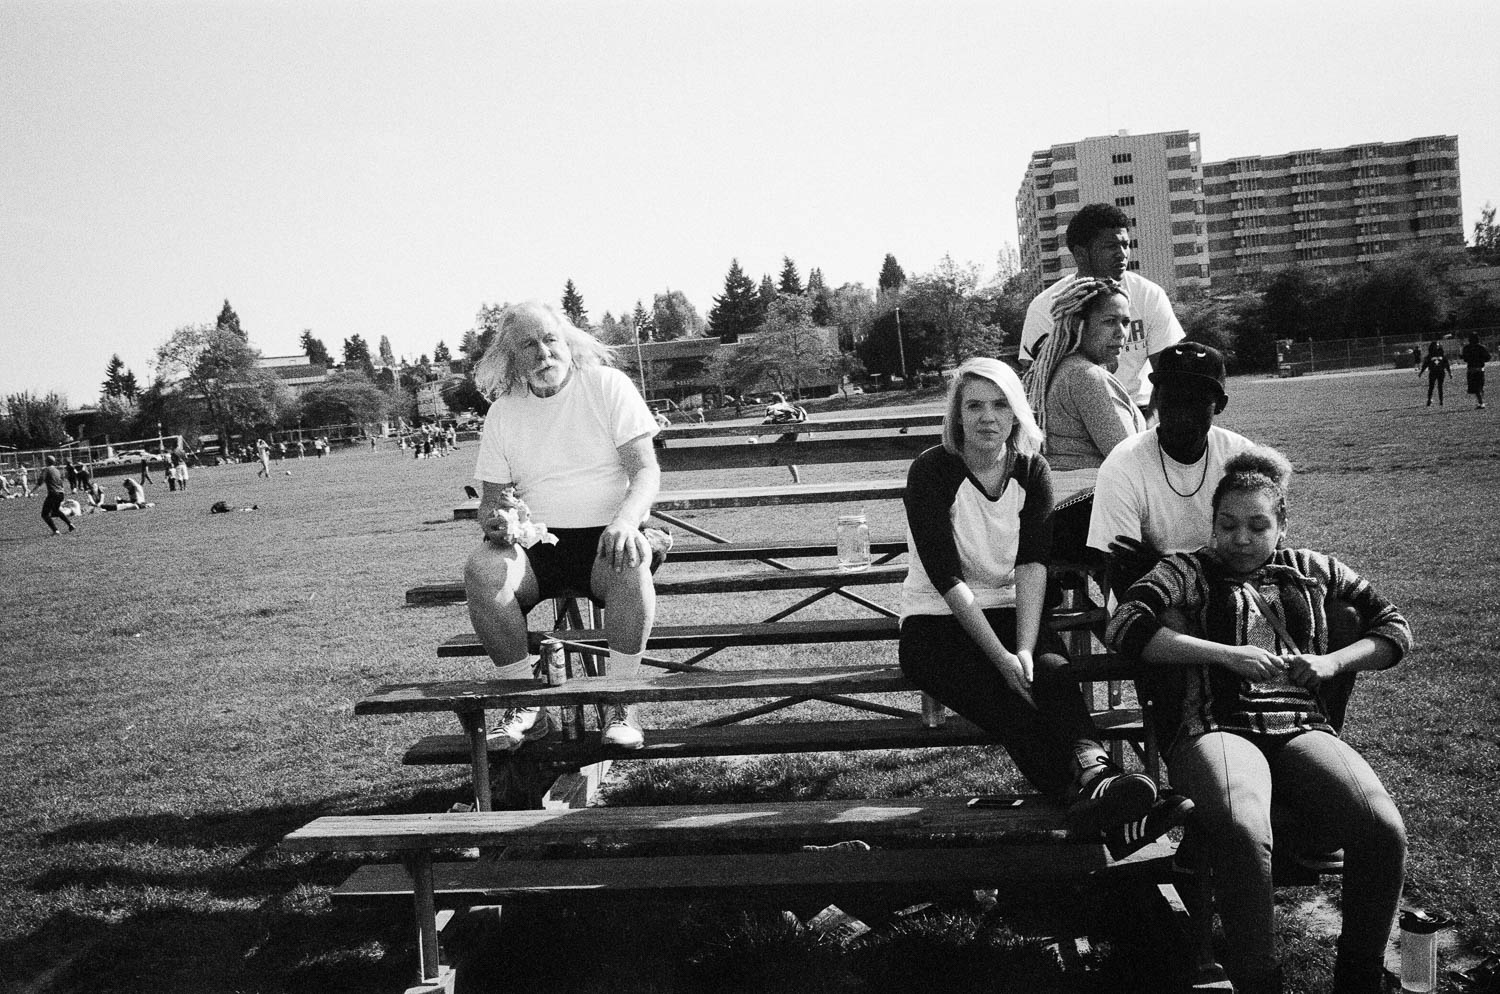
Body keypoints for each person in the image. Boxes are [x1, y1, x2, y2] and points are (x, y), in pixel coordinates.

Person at [1106, 449, 1409, 994]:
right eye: (1227, 525)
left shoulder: (1314, 569)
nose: (1240, 538)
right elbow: (1126, 625)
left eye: (1257, 525)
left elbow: (1394, 625)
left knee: (1382, 829)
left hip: (1301, 728)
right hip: (1219, 728)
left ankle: (1358, 978)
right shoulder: (1186, 570)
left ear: (1282, 523)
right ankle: (1258, 980)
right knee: (1245, 830)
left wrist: (1332, 662)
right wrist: (1224, 654)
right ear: (1212, 523)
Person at [898, 358, 1190, 858]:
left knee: (1051, 673)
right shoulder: (932, 470)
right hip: (935, 623)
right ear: (957, 415)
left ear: (1017, 413)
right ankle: (1103, 799)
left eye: (1000, 404)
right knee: (1012, 703)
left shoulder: (1032, 468)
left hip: (1013, 611)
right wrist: (1003, 658)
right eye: (974, 405)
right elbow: (947, 579)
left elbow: (1032, 564)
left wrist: (1027, 649)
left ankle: (1093, 783)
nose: (988, 417)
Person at [465, 301, 661, 751]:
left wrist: (627, 522)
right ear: (510, 357)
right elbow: (492, 502)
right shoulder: (503, 412)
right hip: (537, 545)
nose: (543, 353)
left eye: (550, 340)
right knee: (481, 568)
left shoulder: (608, 386)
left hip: (607, 540)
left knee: (632, 557)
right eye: (528, 346)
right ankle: (525, 705)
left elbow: (646, 471)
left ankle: (620, 702)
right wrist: (496, 523)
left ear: (568, 342)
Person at [1088, 342, 1254, 597]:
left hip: (1231, 598)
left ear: (1220, 404)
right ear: (1155, 399)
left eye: (1196, 401)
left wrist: (1159, 565)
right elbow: (1124, 577)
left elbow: (1255, 560)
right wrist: (1213, 567)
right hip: (1150, 606)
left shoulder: (1242, 458)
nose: (1181, 413)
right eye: (1171, 399)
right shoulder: (1122, 464)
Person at [1022, 277, 1146, 564]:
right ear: (1079, 324)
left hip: (1057, 513)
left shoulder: (1058, 369)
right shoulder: (1086, 376)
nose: (1121, 333)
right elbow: (1128, 458)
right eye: (1109, 321)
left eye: (1126, 322)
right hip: (1082, 515)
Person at [1020, 203, 1186, 411]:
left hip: (1139, 407)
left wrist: (1144, 431)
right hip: (1074, 415)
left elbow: (1168, 373)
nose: (1122, 254)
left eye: (1125, 245)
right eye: (1110, 246)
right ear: (1080, 254)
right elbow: (1036, 380)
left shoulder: (1149, 295)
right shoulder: (1048, 306)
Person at [38, 455, 75, 535]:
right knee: (56, 510)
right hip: (61, 493)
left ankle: (56, 531)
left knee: (44, 514)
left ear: (46, 461)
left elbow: (40, 481)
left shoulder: (46, 469)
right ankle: (70, 524)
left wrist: (31, 491)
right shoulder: (57, 470)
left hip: (53, 493)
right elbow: (61, 483)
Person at [1460, 332, 1490, 410]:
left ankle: (1481, 402)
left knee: (1475, 388)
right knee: (1479, 387)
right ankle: (1481, 401)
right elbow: (1488, 358)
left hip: (1471, 370)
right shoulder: (1481, 347)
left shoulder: (1466, 348)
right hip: (1480, 370)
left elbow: (1465, 359)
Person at [1417, 341, 1450, 407]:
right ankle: (1429, 400)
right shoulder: (1430, 355)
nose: (1437, 347)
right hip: (1432, 372)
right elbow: (1425, 365)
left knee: (1440, 387)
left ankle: (1441, 401)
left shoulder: (1442, 355)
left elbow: (1446, 364)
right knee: (1431, 387)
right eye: (1436, 346)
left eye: (1438, 345)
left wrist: (1450, 373)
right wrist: (1421, 372)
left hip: (1441, 372)